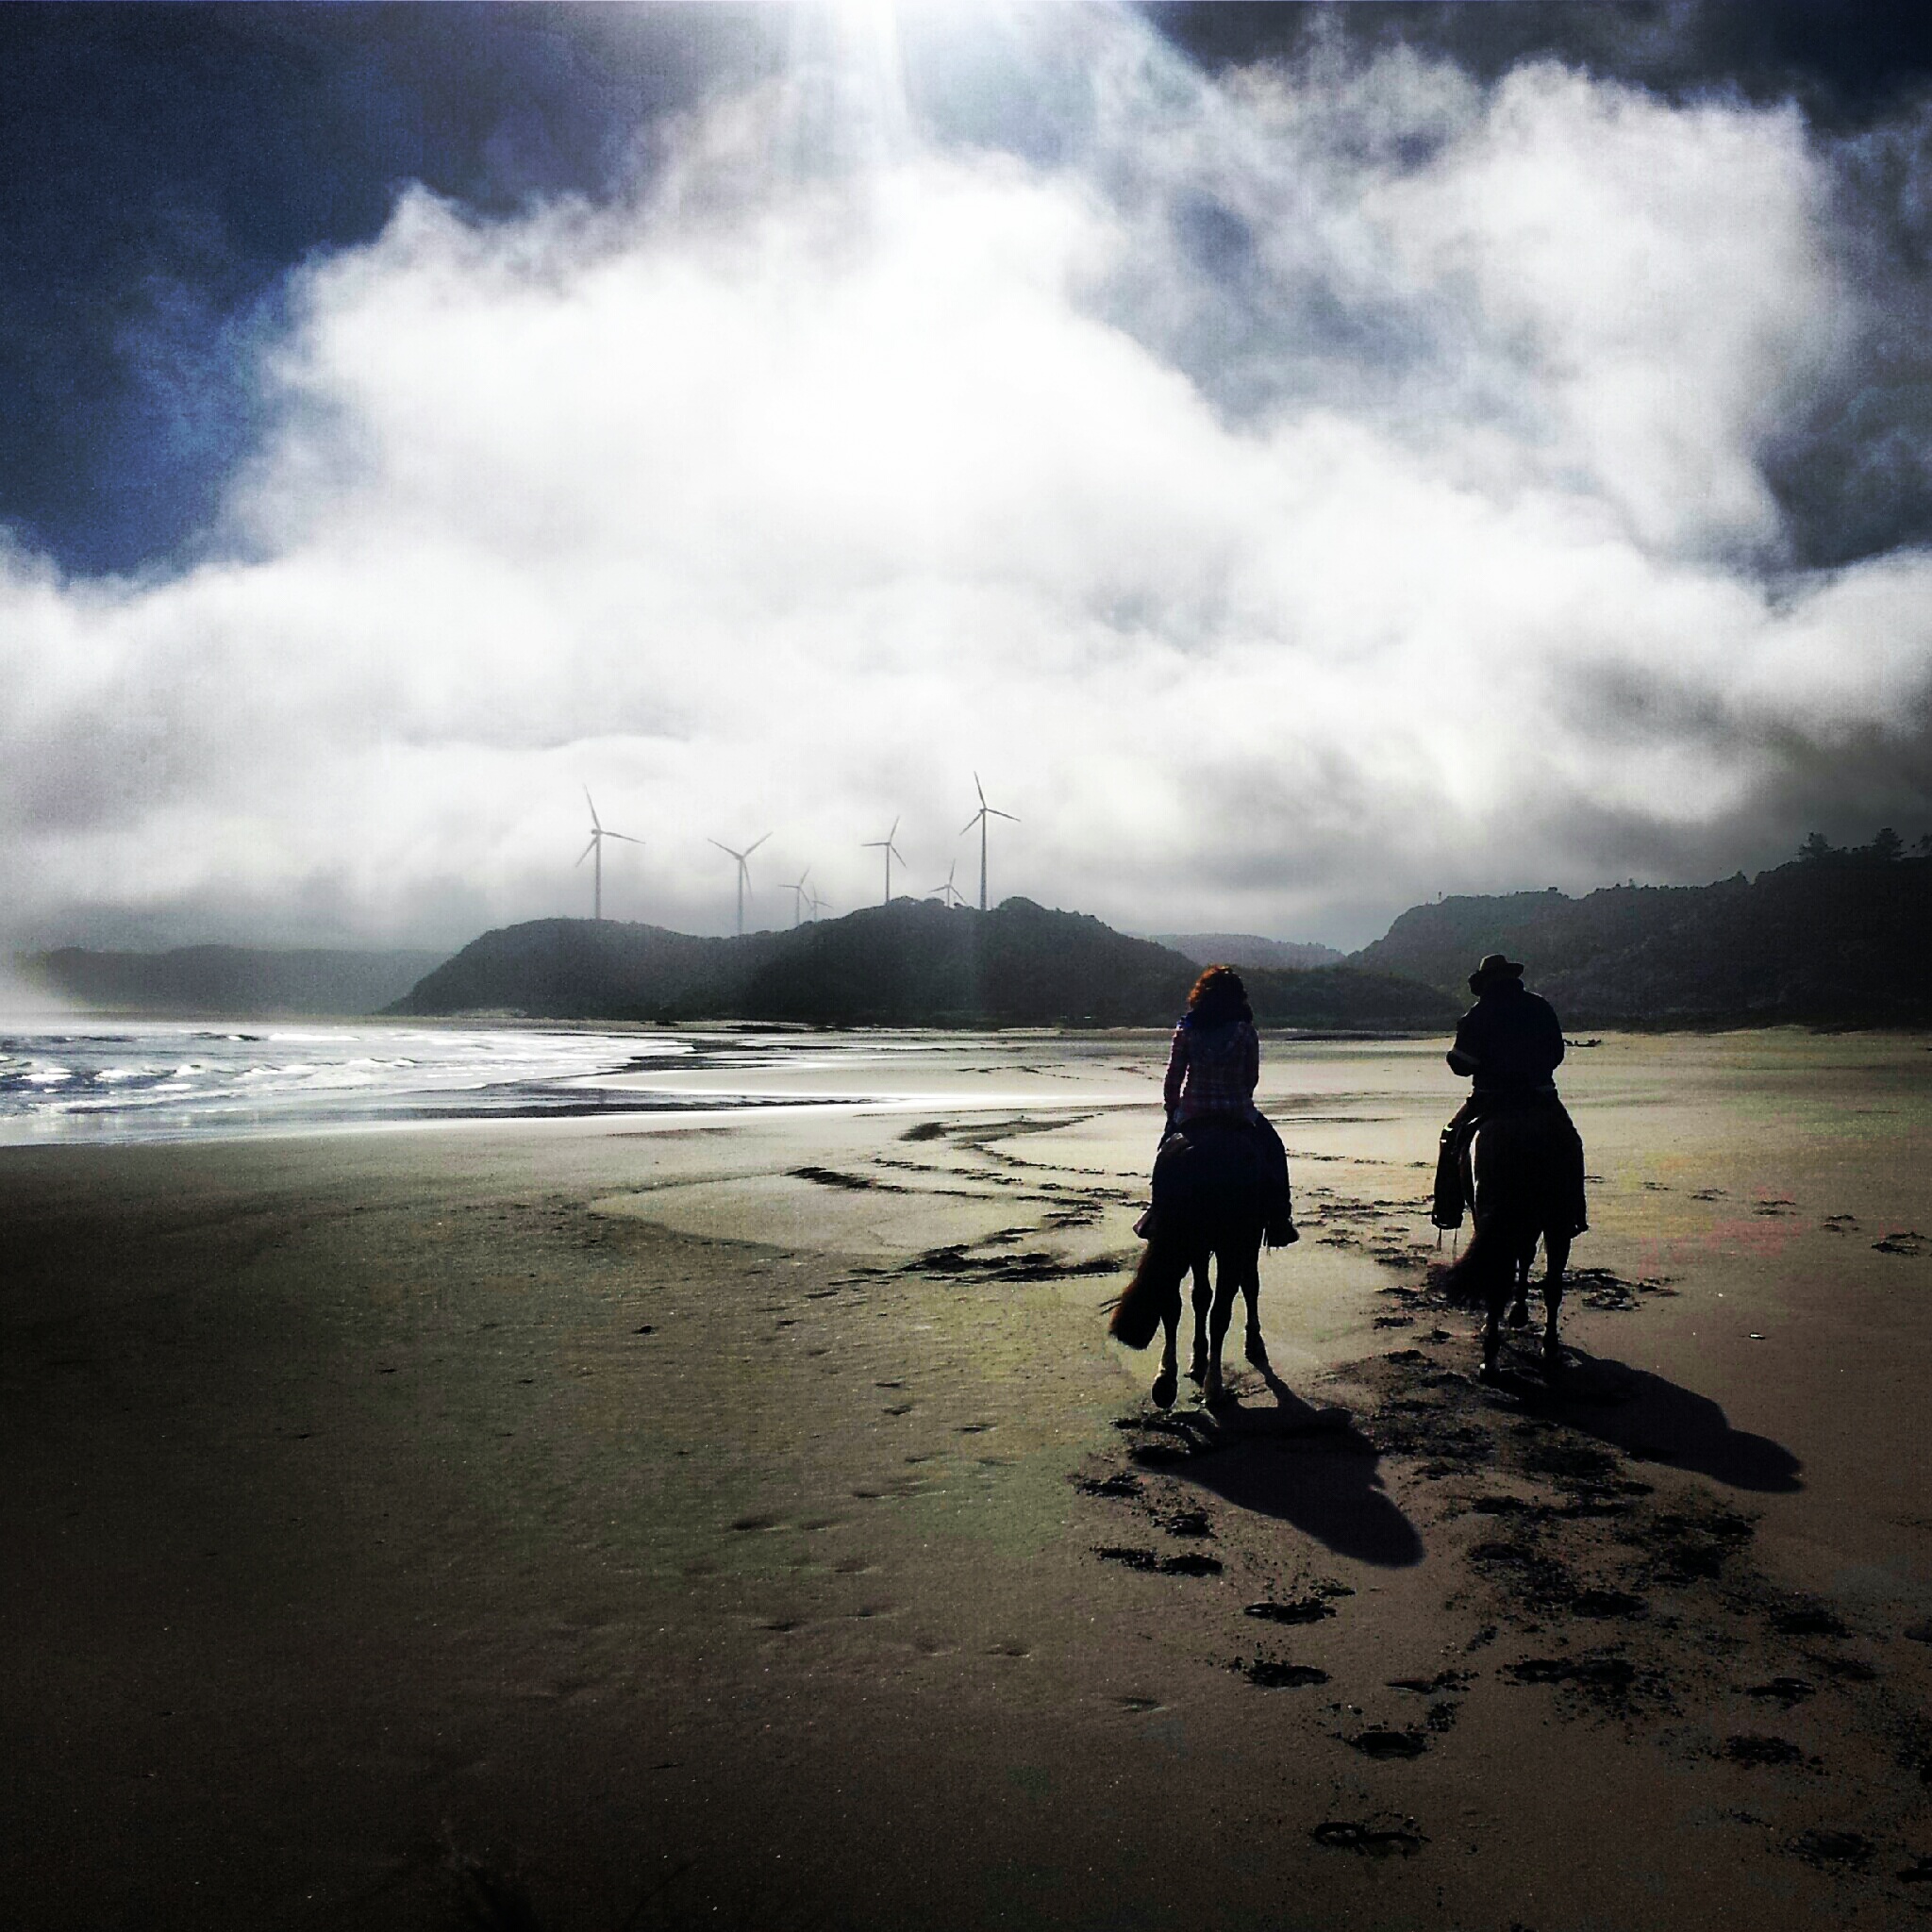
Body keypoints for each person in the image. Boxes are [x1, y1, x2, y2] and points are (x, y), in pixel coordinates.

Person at [1430, 953, 1588, 1236]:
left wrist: (1455, 1058)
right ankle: (1574, 1213)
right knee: (1571, 1144)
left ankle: (1448, 1211)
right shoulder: (1539, 1007)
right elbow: (1556, 1054)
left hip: (1491, 1099)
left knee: (1450, 1136)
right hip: (1539, 1097)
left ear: (1484, 982)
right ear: (1513, 978)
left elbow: (1462, 1065)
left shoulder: (1478, 1014)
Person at [1145, 964, 1297, 1247]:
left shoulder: (1186, 1030)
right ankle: (1280, 1219)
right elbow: (1251, 1078)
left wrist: (1172, 1111)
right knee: (1274, 1150)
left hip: (1193, 1114)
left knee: (1165, 1157)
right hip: (1237, 1113)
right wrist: (1238, 1097)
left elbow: (1173, 1079)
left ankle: (1156, 1214)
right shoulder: (1245, 1032)